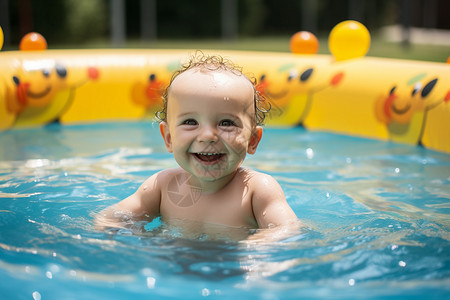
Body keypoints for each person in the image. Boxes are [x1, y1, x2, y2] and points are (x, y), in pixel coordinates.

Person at [95, 53, 299, 240]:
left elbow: (287, 230)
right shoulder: (162, 186)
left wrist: (255, 246)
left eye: (226, 123)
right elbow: (111, 218)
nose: (208, 135)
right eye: (191, 122)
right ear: (168, 138)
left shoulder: (257, 190)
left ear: (253, 140)